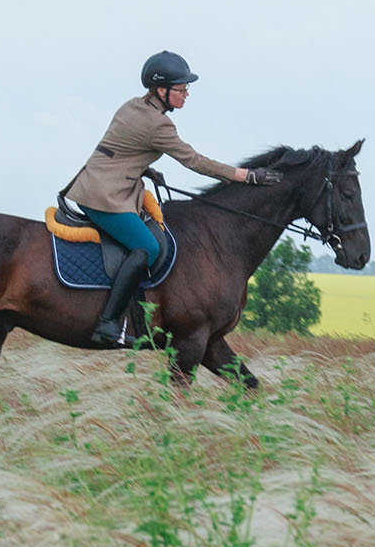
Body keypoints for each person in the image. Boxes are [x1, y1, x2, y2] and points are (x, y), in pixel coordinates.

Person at [62, 50, 281, 348]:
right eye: (181, 89)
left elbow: (119, 147)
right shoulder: (159, 126)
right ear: (161, 90)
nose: (186, 94)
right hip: (105, 196)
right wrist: (246, 176)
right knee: (147, 247)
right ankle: (109, 322)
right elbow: (194, 160)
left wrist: (147, 169)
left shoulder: (132, 107)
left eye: (186, 88)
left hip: (94, 183)